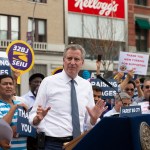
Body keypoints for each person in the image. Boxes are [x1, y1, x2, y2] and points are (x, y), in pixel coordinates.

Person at [29, 44, 107, 150]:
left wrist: (93, 119)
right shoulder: (48, 82)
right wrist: (37, 119)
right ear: (63, 60)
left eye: (76, 59)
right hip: (52, 144)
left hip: (78, 142)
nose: (72, 62)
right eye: (69, 58)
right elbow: (34, 114)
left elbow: (88, 123)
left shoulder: (86, 85)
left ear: (82, 63)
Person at [0, 74, 27, 150]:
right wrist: (13, 108)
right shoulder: (18, 105)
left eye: (11, 84)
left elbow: (30, 128)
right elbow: (2, 128)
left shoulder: (21, 104)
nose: (8, 86)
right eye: (5, 84)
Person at [22, 73, 44, 150]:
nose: (38, 84)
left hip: (43, 134)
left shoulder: (45, 99)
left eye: (41, 82)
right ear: (30, 84)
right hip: (29, 135)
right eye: (36, 82)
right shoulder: (23, 99)